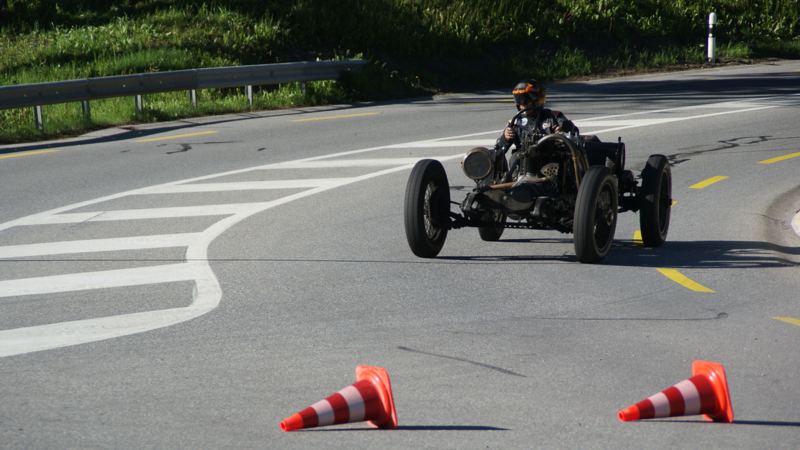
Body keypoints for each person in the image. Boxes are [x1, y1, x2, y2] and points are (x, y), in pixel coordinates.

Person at [495, 78, 577, 154]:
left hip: (550, 157)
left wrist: (562, 132)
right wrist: (505, 137)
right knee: (513, 158)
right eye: (519, 99)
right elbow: (498, 150)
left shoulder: (554, 116)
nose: (522, 104)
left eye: (526, 99)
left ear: (538, 99)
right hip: (524, 160)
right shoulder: (515, 122)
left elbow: (574, 132)